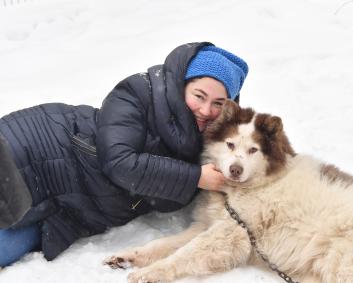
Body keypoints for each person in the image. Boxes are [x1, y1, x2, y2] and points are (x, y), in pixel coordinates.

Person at [0, 42, 249, 267]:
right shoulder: (139, 94)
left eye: (218, 103)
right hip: (40, 148)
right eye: (199, 96)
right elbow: (119, 162)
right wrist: (195, 177)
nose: (206, 110)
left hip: (63, 207)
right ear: (182, 84)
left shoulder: (218, 144)